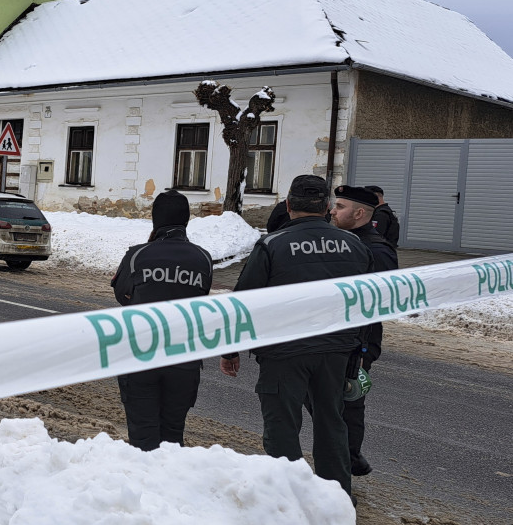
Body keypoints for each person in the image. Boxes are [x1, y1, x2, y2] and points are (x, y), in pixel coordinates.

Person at [220, 174, 373, 499]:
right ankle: (336, 501)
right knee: (331, 423)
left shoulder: (272, 245)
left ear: (289, 205)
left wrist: (230, 350)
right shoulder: (355, 246)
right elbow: (366, 303)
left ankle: (287, 502)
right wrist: (357, 350)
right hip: (336, 352)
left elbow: (242, 302)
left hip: (283, 353)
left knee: (282, 427)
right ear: (327, 207)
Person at [110, 190, 215, 451]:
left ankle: (146, 488)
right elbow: (201, 298)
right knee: (172, 438)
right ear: (187, 220)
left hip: (140, 357)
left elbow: (122, 295)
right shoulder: (203, 258)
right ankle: (168, 487)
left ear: (155, 220)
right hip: (184, 360)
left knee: (143, 439)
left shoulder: (137, 255)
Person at [330, 185, 399, 477]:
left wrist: (361, 349)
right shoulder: (342, 241)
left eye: (340, 206)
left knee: (350, 401)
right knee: (328, 400)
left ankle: (349, 459)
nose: (333, 210)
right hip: (338, 336)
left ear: (359, 213)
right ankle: (344, 455)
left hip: (358, 342)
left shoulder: (376, 249)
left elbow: (380, 302)